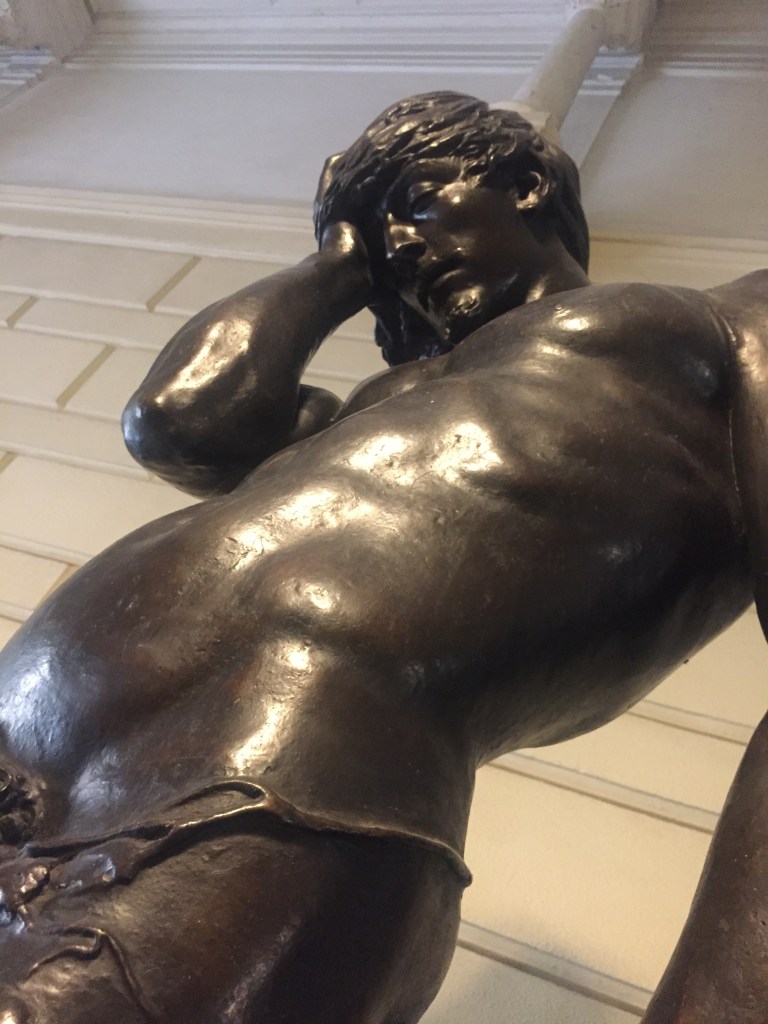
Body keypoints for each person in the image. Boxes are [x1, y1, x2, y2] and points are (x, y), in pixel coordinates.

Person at [0, 90, 766, 1023]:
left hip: (263, 789)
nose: (398, 247)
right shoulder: (374, 405)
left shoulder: (720, 323)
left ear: (527, 185)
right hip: (26, 728)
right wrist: (338, 262)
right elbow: (178, 423)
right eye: (380, 236)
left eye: (418, 201)